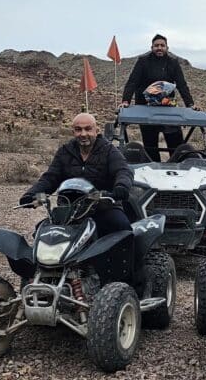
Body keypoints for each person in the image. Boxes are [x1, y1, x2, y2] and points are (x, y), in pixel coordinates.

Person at [20, 113, 134, 283]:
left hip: (102, 207)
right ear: (73, 131)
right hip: (69, 211)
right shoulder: (65, 151)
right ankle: (34, 281)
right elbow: (50, 177)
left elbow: (123, 171)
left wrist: (120, 188)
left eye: (88, 129)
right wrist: (31, 194)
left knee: (122, 228)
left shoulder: (109, 150)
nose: (83, 134)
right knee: (41, 233)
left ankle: (127, 283)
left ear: (96, 130)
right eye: (78, 129)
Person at [120, 34, 198, 162]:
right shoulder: (143, 61)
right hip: (145, 109)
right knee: (150, 146)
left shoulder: (173, 63)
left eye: (162, 45)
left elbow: (182, 85)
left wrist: (190, 104)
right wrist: (125, 101)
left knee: (176, 143)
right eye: (156, 46)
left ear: (167, 48)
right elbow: (132, 82)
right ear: (152, 47)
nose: (159, 48)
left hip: (168, 109)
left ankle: (177, 168)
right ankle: (153, 171)